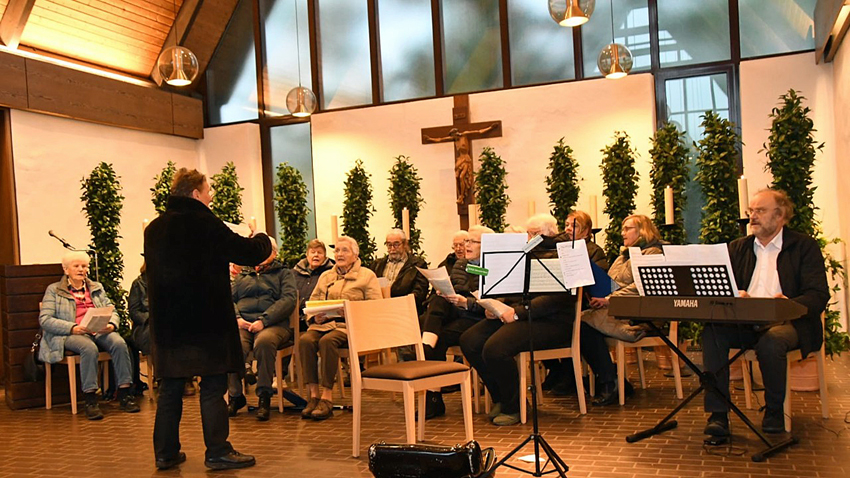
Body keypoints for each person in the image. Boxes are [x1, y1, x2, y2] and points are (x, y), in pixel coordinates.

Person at [145, 168, 272, 471]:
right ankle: (217, 451)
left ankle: (166, 453)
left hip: (168, 326)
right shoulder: (205, 224)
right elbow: (249, 253)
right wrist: (262, 237)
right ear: (195, 194)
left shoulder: (154, 229)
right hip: (206, 324)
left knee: (171, 389)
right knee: (214, 387)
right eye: (208, 190)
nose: (211, 195)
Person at [702, 189, 829, 437]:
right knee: (713, 332)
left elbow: (818, 295)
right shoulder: (738, 247)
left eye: (760, 211)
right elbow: (722, 289)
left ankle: (773, 411)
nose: (752, 217)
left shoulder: (803, 246)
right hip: (745, 322)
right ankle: (718, 415)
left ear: (780, 215)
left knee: (773, 341)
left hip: (789, 322)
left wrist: (788, 304)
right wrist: (736, 296)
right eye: (751, 211)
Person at [38, 250, 140, 420]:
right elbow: (45, 319)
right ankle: (91, 399)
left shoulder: (96, 287)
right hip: (70, 333)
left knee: (119, 343)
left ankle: (124, 393)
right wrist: (72, 327)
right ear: (66, 269)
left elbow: (111, 309)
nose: (81, 269)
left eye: (84, 266)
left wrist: (111, 323)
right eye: (76, 266)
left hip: (98, 330)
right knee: (88, 348)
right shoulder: (54, 290)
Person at [581, 214, 662, 406]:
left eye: (628, 228)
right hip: (615, 308)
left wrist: (609, 299)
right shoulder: (622, 256)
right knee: (579, 324)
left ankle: (610, 382)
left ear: (642, 230)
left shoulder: (653, 253)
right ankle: (614, 381)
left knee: (583, 325)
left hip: (636, 313)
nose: (622, 232)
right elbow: (611, 284)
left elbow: (640, 286)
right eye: (622, 228)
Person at [299, 236, 382, 420]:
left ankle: (327, 396)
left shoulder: (366, 276)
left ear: (355, 254)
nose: (339, 254)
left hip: (351, 327)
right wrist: (315, 315)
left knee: (329, 341)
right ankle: (313, 395)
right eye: (336, 250)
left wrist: (351, 312)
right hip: (324, 324)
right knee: (305, 340)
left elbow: (376, 307)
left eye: (344, 250)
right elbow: (314, 301)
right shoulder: (326, 276)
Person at [420, 224, 494, 419]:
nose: (466, 245)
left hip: (479, 317)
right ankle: (433, 397)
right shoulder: (461, 264)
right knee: (437, 300)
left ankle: (432, 395)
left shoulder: (493, 266)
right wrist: (447, 292)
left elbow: (492, 304)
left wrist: (466, 301)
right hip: (459, 312)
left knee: (438, 337)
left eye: (472, 241)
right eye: (466, 241)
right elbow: (459, 287)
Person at [227, 236, 297, 421]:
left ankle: (264, 396)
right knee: (233, 343)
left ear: (274, 253)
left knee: (264, 343)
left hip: (273, 325)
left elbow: (288, 300)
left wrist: (264, 320)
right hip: (244, 324)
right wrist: (237, 318)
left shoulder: (284, 273)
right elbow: (229, 298)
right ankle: (235, 396)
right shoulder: (243, 275)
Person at [370, 229, 430, 314]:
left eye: (396, 244)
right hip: (379, 309)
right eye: (389, 245)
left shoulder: (417, 265)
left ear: (405, 244)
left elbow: (420, 292)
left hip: (405, 310)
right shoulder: (377, 265)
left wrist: (400, 303)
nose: (392, 248)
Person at [293, 239, 335, 330]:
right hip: (295, 318)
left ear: (325, 256)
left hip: (317, 318)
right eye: (313, 252)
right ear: (307, 255)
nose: (316, 255)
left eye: (319, 253)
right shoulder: (295, 273)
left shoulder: (330, 273)